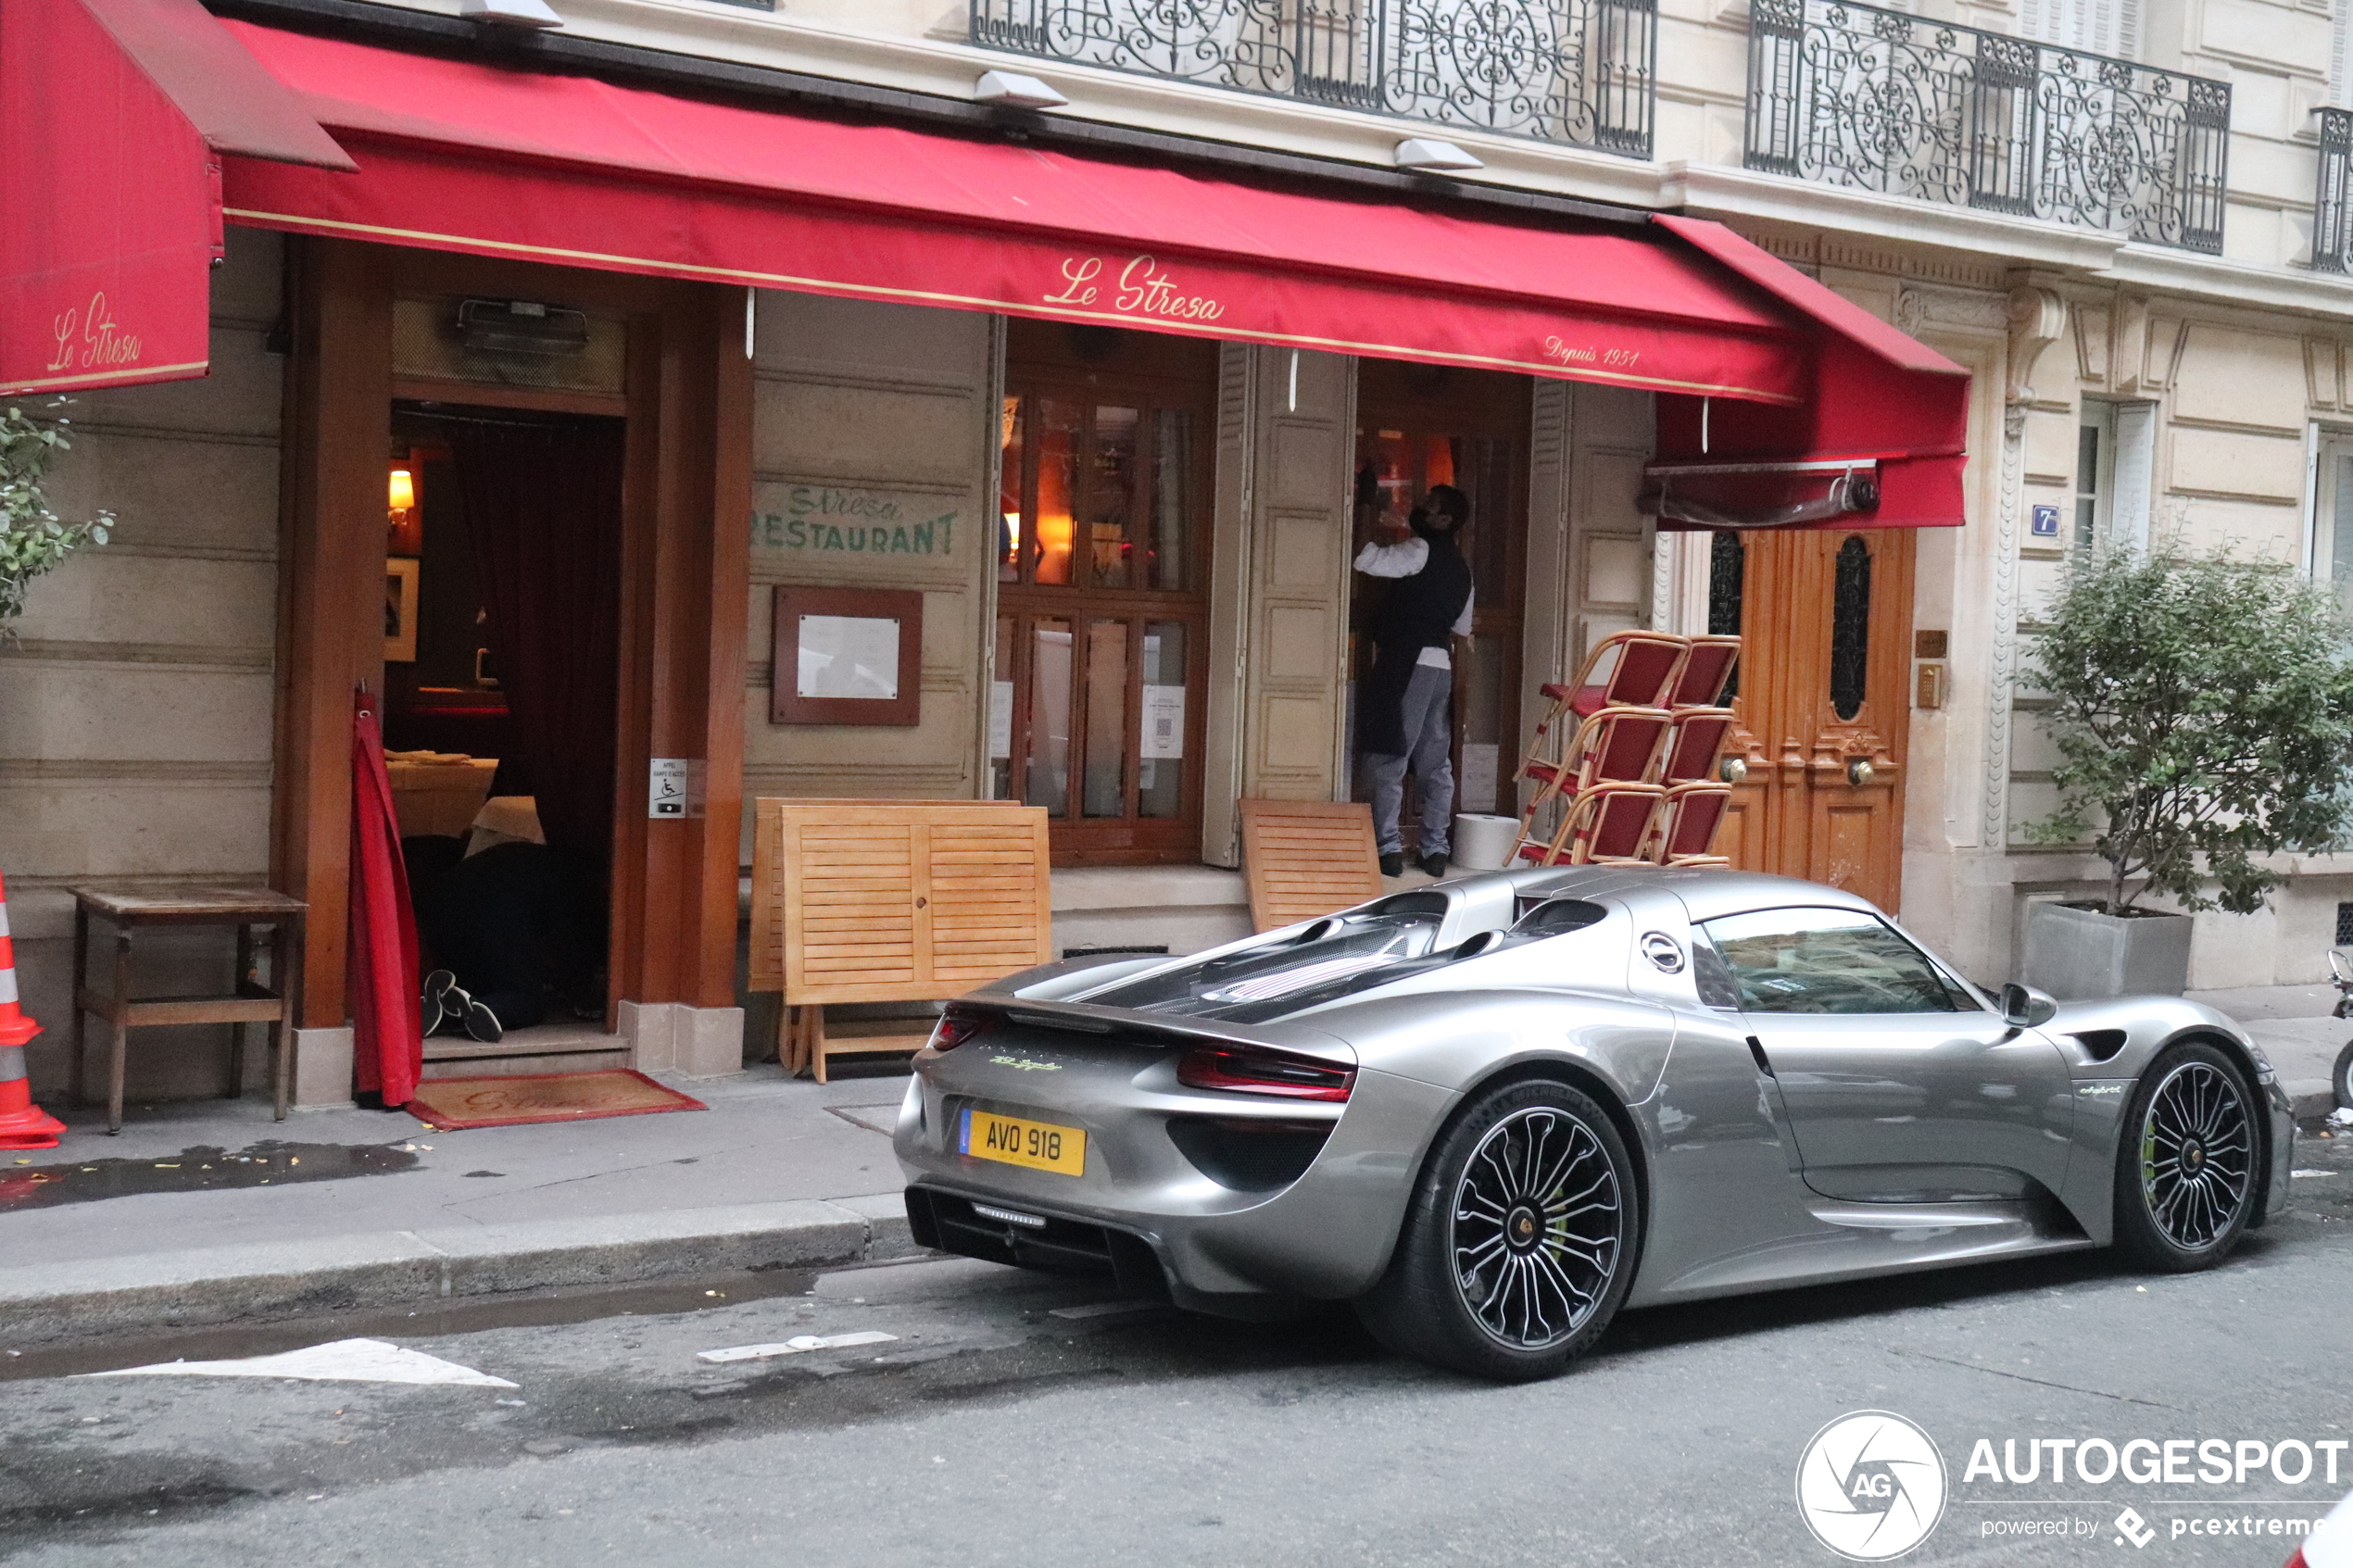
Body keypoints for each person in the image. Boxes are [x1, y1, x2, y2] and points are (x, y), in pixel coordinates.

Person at [1354, 482, 1474, 878]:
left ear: (1445, 519)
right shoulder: (1462, 569)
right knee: (1436, 763)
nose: (1421, 508)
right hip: (1442, 666)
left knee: (1391, 753)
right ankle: (1434, 850)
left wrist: (1365, 510)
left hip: (1409, 664)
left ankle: (1387, 849)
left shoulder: (1420, 549)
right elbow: (1462, 625)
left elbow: (1366, 559)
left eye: (1430, 505)